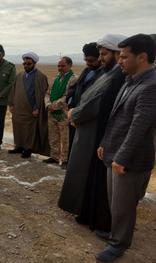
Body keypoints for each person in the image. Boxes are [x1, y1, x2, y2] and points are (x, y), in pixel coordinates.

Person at [95, 34, 156, 262]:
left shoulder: (151, 86)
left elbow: (138, 128)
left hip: (131, 159)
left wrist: (120, 157)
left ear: (142, 57)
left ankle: (119, 243)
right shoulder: (130, 79)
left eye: (125, 56)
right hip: (115, 152)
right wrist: (104, 144)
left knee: (124, 205)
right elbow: (116, 119)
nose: (120, 61)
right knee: (115, 202)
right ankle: (116, 233)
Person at [58, 34, 127, 233]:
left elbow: (94, 103)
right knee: (89, 177)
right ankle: (87, 213)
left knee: (94, 178)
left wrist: (75, 113)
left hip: (97, 133)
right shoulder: (108, 73)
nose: (101, 58)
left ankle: (99, 221)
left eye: (104, 54)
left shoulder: (115, 76)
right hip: (90, 131)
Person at [8, 51, 49, 158]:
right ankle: (19, 146)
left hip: (31, 109)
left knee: (29, 130)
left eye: (29, 64)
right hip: (18, 108)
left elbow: (42, 95)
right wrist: (11, 104)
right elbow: (13, 90)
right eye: (24, 64)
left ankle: (28, 148)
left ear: (34, 63)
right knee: (18, 127)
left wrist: (36, 108)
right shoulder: (19, 76)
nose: (26, 65)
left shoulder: (40, 77)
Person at [66, 42, 102, 156]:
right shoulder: (86, 71)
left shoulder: (103, 74)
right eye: (86, 60)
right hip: (75, 116)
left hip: (87, 119)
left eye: (91, 60)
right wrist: (71, 105)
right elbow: (75, 88)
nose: (88, 63)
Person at [44, 56, 76, 169]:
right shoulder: (55, 78)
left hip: (63, 112)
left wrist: (56, 105)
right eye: (58, 65)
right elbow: (47, 93)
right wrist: (48, 104)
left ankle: (66, 159)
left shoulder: (73, 79)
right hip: (51, 112)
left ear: (69, 65)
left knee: (65, 137)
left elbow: (68, 96)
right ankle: (54, 156)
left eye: (63, 66)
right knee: (53, 135)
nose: (60, 68)